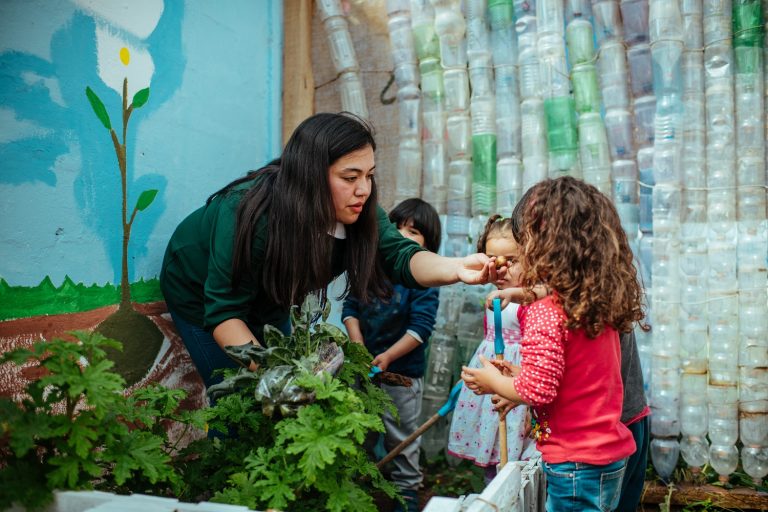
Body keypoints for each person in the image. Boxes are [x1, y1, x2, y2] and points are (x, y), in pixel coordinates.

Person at [160, 112, 498, 388]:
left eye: (369, 175)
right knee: (242, 396)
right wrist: (276, 379)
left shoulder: (358, 212)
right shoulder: (250, 215)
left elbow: (401, 256)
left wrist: (456, 268)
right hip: (199, 293)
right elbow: (225, 311)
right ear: (311, 176)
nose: (363, 189)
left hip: (269, 296)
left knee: (284, 382)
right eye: (350, 177)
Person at [462, 177, 647, 512]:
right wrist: (519, 369)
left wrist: (494, 381)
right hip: (604, 455)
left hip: (574, 464)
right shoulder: (595, 301)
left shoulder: (544, 313)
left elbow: (537, 392)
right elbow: (577, 376)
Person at [342, 198, 441, 512]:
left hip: (402, 374)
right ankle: (359, 485)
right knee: (361, 430)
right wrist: (357, 345)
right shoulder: (370, 265)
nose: (402, 235)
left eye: (413, 232)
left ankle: (407, 492)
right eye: (397, 227)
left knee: (401, 436)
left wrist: (387, 355)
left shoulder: (424, 276)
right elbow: (350, 308)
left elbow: (421, 327)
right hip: (364, 369)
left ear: (428, 243)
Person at [447, 215, 539, 484]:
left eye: (511, 261)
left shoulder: (531, 301)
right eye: (493, 260)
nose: (501, 269)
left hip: (516, 384)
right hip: (492, 381)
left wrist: (530, 405)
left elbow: (537, 358)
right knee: (494, 444)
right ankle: (494, 491)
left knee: (516, 451)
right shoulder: (495, 297)